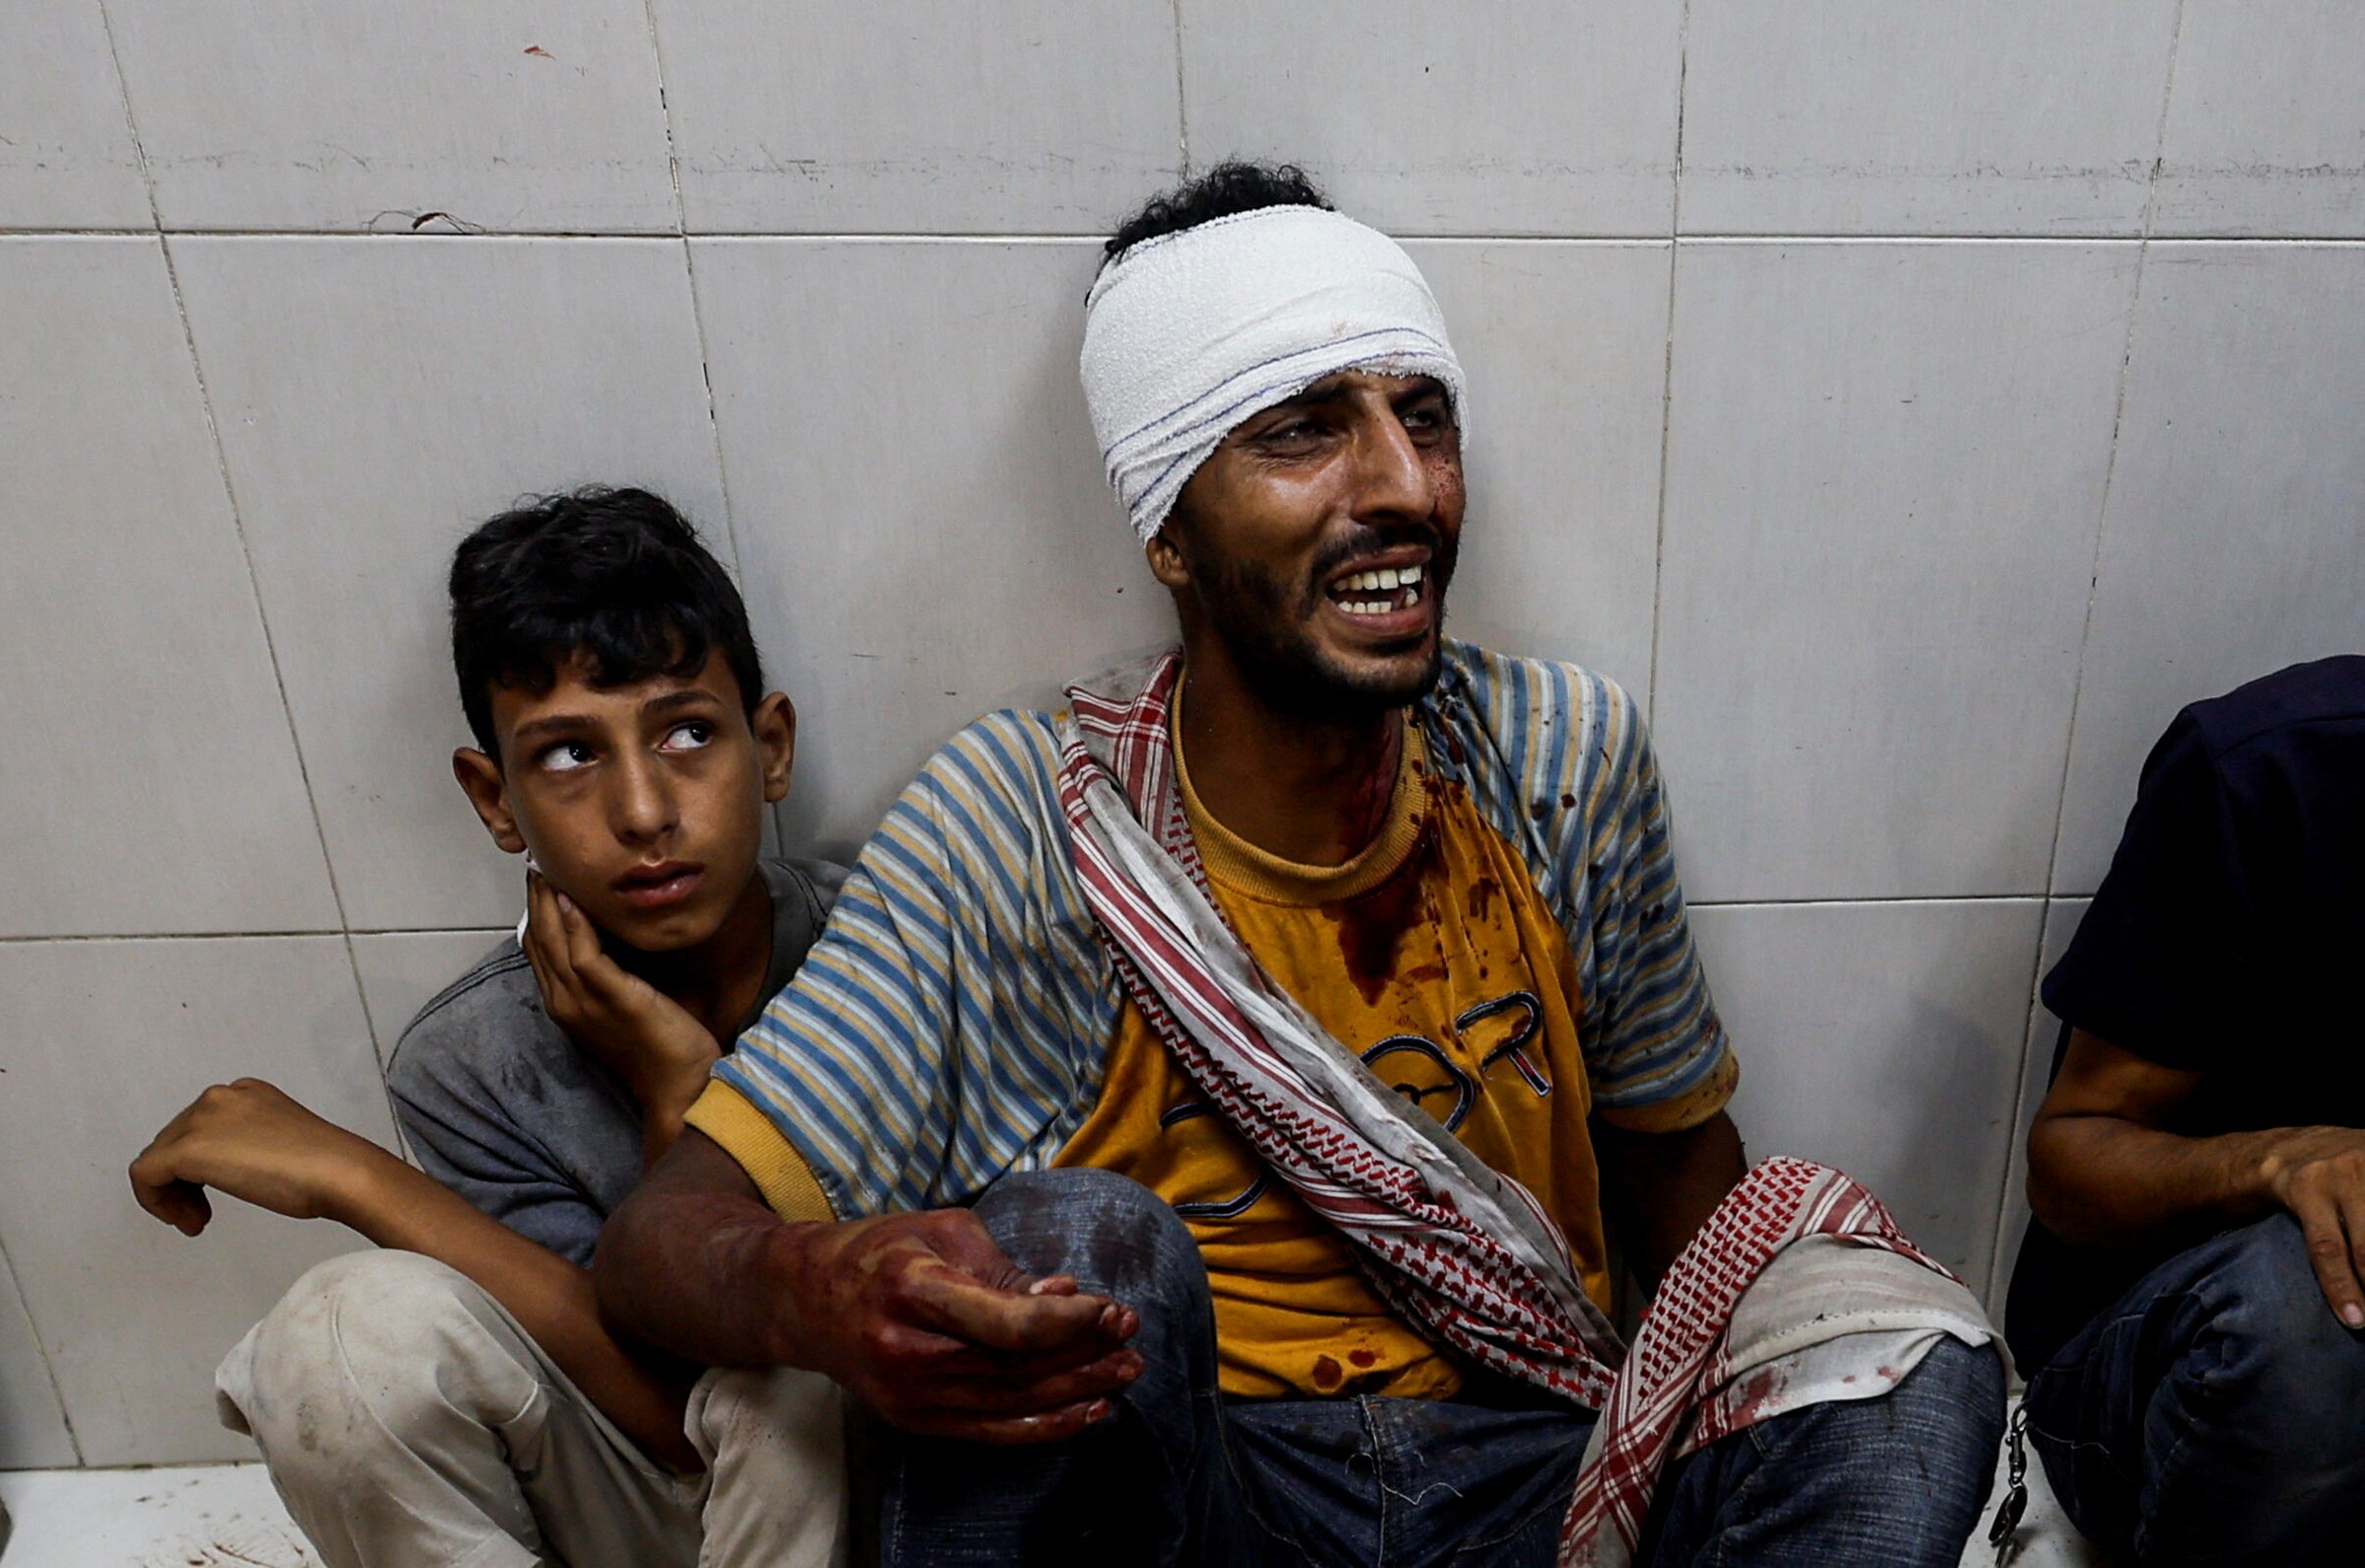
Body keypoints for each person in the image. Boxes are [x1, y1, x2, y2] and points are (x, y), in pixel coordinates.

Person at [593, 163, 2008, 1567]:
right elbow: (661, 1240)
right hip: (1201, 1497)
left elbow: (1683, 1193)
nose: (1401, 487)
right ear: (1167, 525)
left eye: (1423, 416)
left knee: (1887, 1334)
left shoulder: (1552, 761)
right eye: (1303, 431)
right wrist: (822, 1287)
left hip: (1548, 1481)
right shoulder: (1020, 819)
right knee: (1063, 1236)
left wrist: (1797, 1393)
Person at [129, 487, 848, 1568]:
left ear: (772, 744)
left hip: (880, 1496)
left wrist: (366, 1182)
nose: (646, 812)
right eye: (568, 755)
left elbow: (767, 1402)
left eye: (689, 733)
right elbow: (667, 1423)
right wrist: (370, 1186)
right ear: (494, 796)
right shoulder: (472, 1059)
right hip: (637, 1505)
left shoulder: (879, 952)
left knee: (801, 1353)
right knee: (338, 1333)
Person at [2008, 654, 2365, 1567]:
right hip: (2167, 1368)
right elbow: (2070, 1161)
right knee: (2312, 1328)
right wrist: (2273, 1163)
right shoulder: (2274, 766)